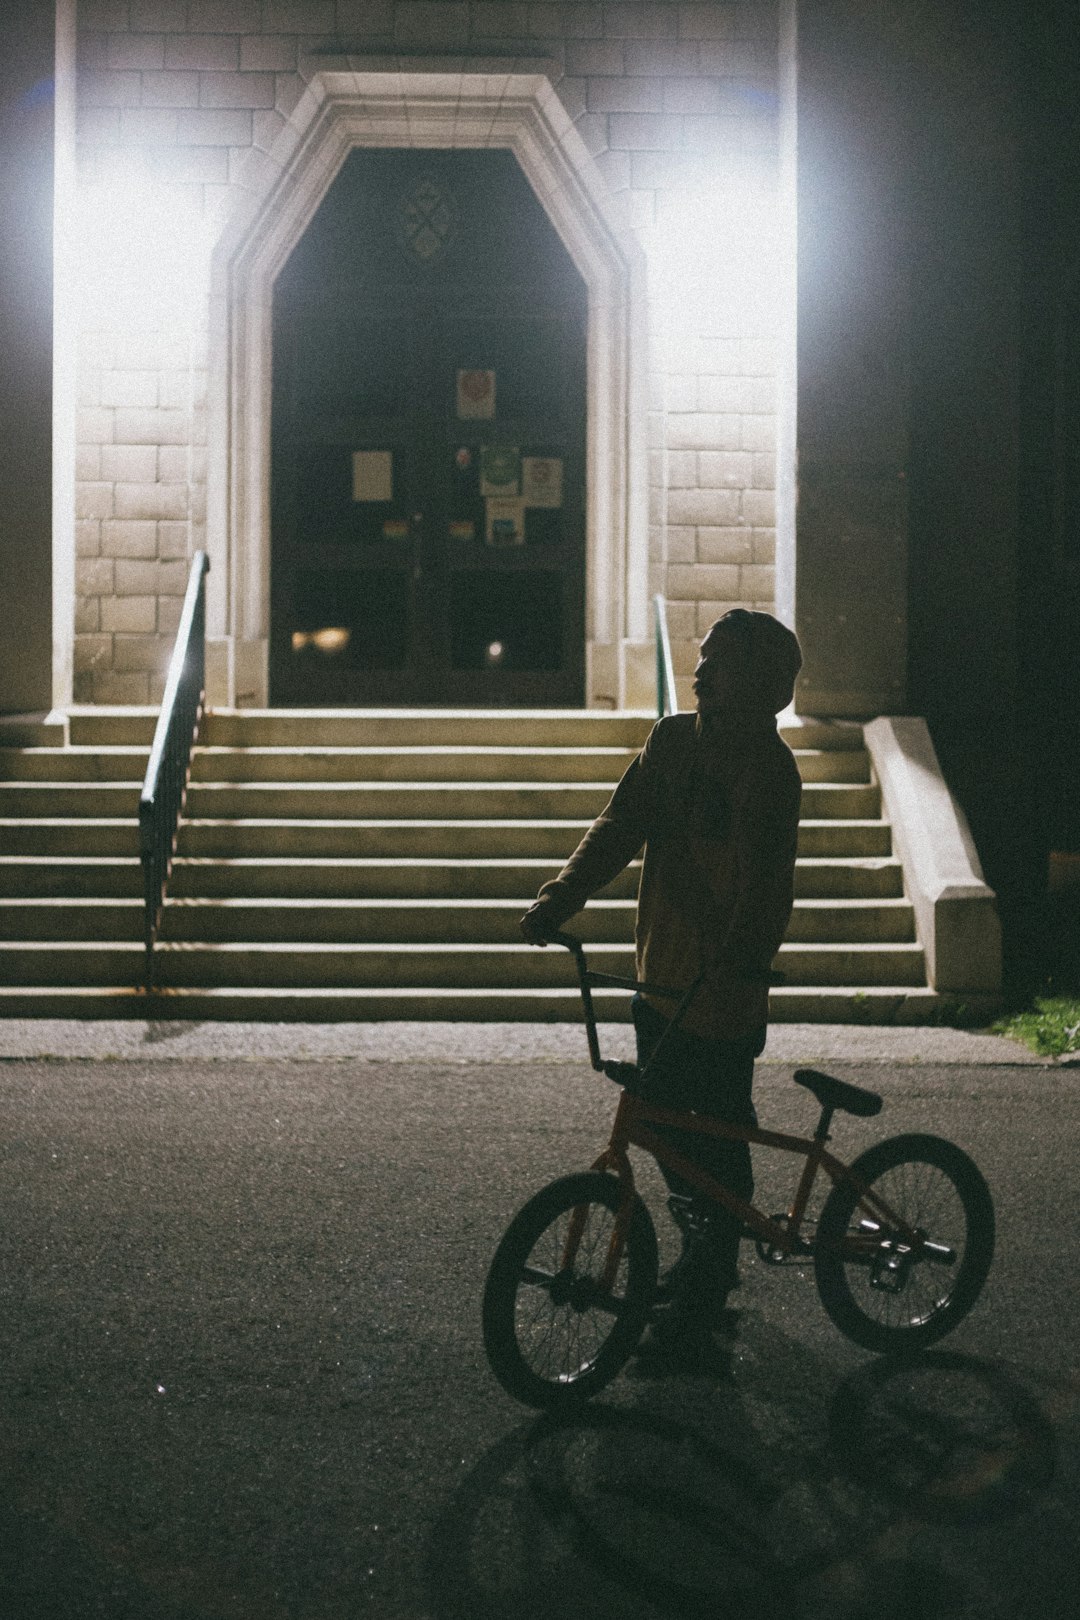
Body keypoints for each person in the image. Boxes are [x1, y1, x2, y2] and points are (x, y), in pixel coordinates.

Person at [520, 609, 803, 1370]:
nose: (702, 669)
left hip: (721, 996)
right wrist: (562, 896)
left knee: (710, 1134)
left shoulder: (769, 772)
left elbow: (769, 885)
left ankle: (706, 1292)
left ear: (764, 683)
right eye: (702, 657)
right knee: (671, 1135)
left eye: (721, 662)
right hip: (659, 983)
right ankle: (700, 1259)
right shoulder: (673, 741)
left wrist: (743, 958)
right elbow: (620, 823)